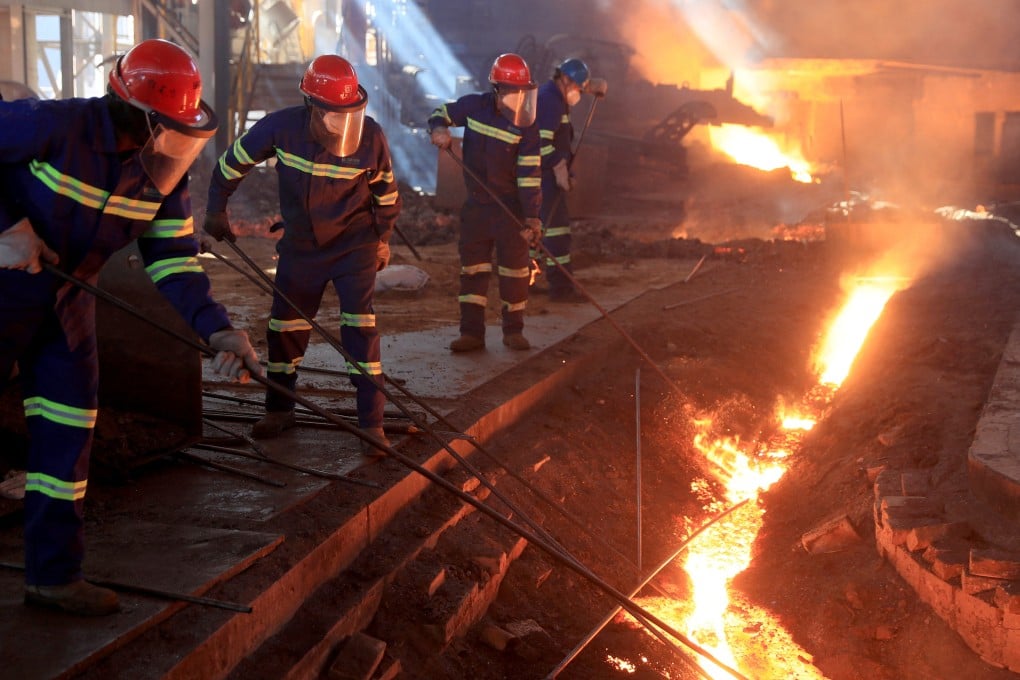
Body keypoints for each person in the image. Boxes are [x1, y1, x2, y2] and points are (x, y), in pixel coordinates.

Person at [0, 38, 261, 616]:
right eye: (166, 125)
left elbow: (172, 260)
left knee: (67, 431)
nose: (173, 139)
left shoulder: (158, 177)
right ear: (137, 113)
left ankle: (53, 577)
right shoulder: (53, 125)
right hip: (4, 288)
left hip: (65, 303)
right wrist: (9, 224)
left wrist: (217, 330)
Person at [203, 55, 401, 456]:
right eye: (331, 115)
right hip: (301, 247)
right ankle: (279, 408)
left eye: (348, 115)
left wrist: (383, 238)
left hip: (354, 245)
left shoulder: (371, 136)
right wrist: (216, 209)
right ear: (311, 105)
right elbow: (230, 163)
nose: (341, 125)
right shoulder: (280, 128)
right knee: (286, 328)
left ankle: (371, 424)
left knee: (359, 329)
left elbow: (387, 195)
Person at [427, 53, 543, 353]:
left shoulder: (528, 125)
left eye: (522, 92)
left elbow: (530, 174)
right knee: (473, 271)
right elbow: (440, 111)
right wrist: (440, 129)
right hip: (477, 207)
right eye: (511, 92)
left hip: (511, 211)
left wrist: (532, 217)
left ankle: (513, 332)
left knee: (515, 272)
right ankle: (472, 334)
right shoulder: (473, 107)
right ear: (496, 89)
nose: (517, 98)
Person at [534, 58, 607, 302]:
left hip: (545, 176)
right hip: (541, 178)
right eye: (577, 87)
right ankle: (561, 289)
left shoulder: (557, 98)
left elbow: (559, 143)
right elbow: (540, 144)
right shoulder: (549, 101)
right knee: (556, 233)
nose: (578, 93)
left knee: (537, 232)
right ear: (564, 80)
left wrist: (566, 170)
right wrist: (557, 167)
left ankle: (525, 281)